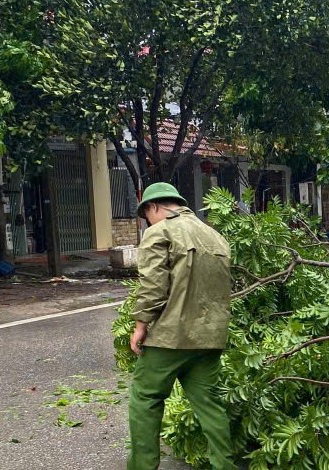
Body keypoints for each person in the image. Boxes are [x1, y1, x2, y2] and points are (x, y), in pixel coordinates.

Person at [127, 182, 236, 470]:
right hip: (210, 338)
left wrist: (140, 325)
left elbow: (153, 286)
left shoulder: (159, 231)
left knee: (145, 398)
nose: (147, 222)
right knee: (210, 405)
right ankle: (224, 465)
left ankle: (143, 466)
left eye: (145, 215)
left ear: (154, 207)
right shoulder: (214, 236)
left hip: (170, 338)